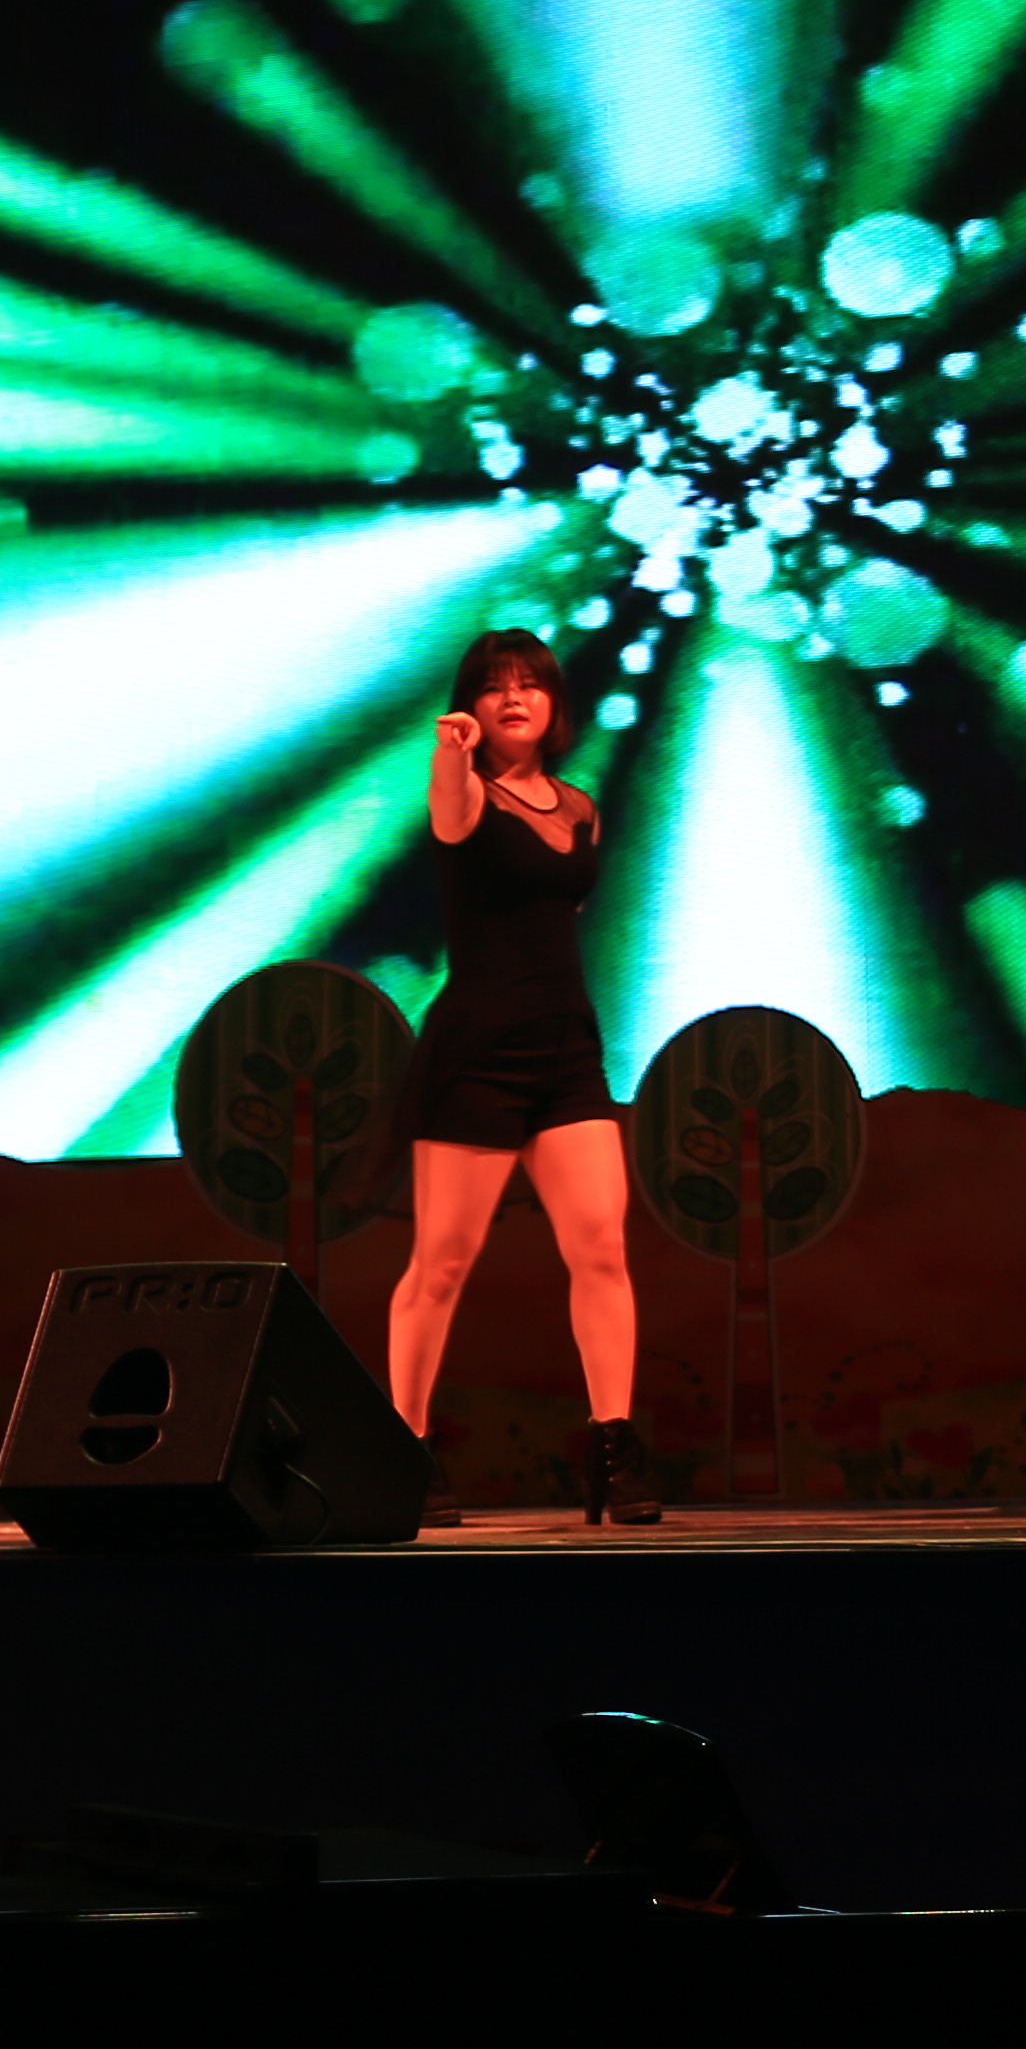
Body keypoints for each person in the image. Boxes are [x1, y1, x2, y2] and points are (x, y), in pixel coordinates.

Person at [382, 628, 655, 1522]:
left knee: (602, 1247)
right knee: (442, 1262)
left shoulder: (579, 808)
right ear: (471, 705)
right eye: (494, 685)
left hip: (566, 1050)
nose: (512, 698)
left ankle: (613, 1447)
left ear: (553, 703)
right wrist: (451, 753)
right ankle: (406, 1449)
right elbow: (451, 810)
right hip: (478, 1054)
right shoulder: (463, 792)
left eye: (529, 684)